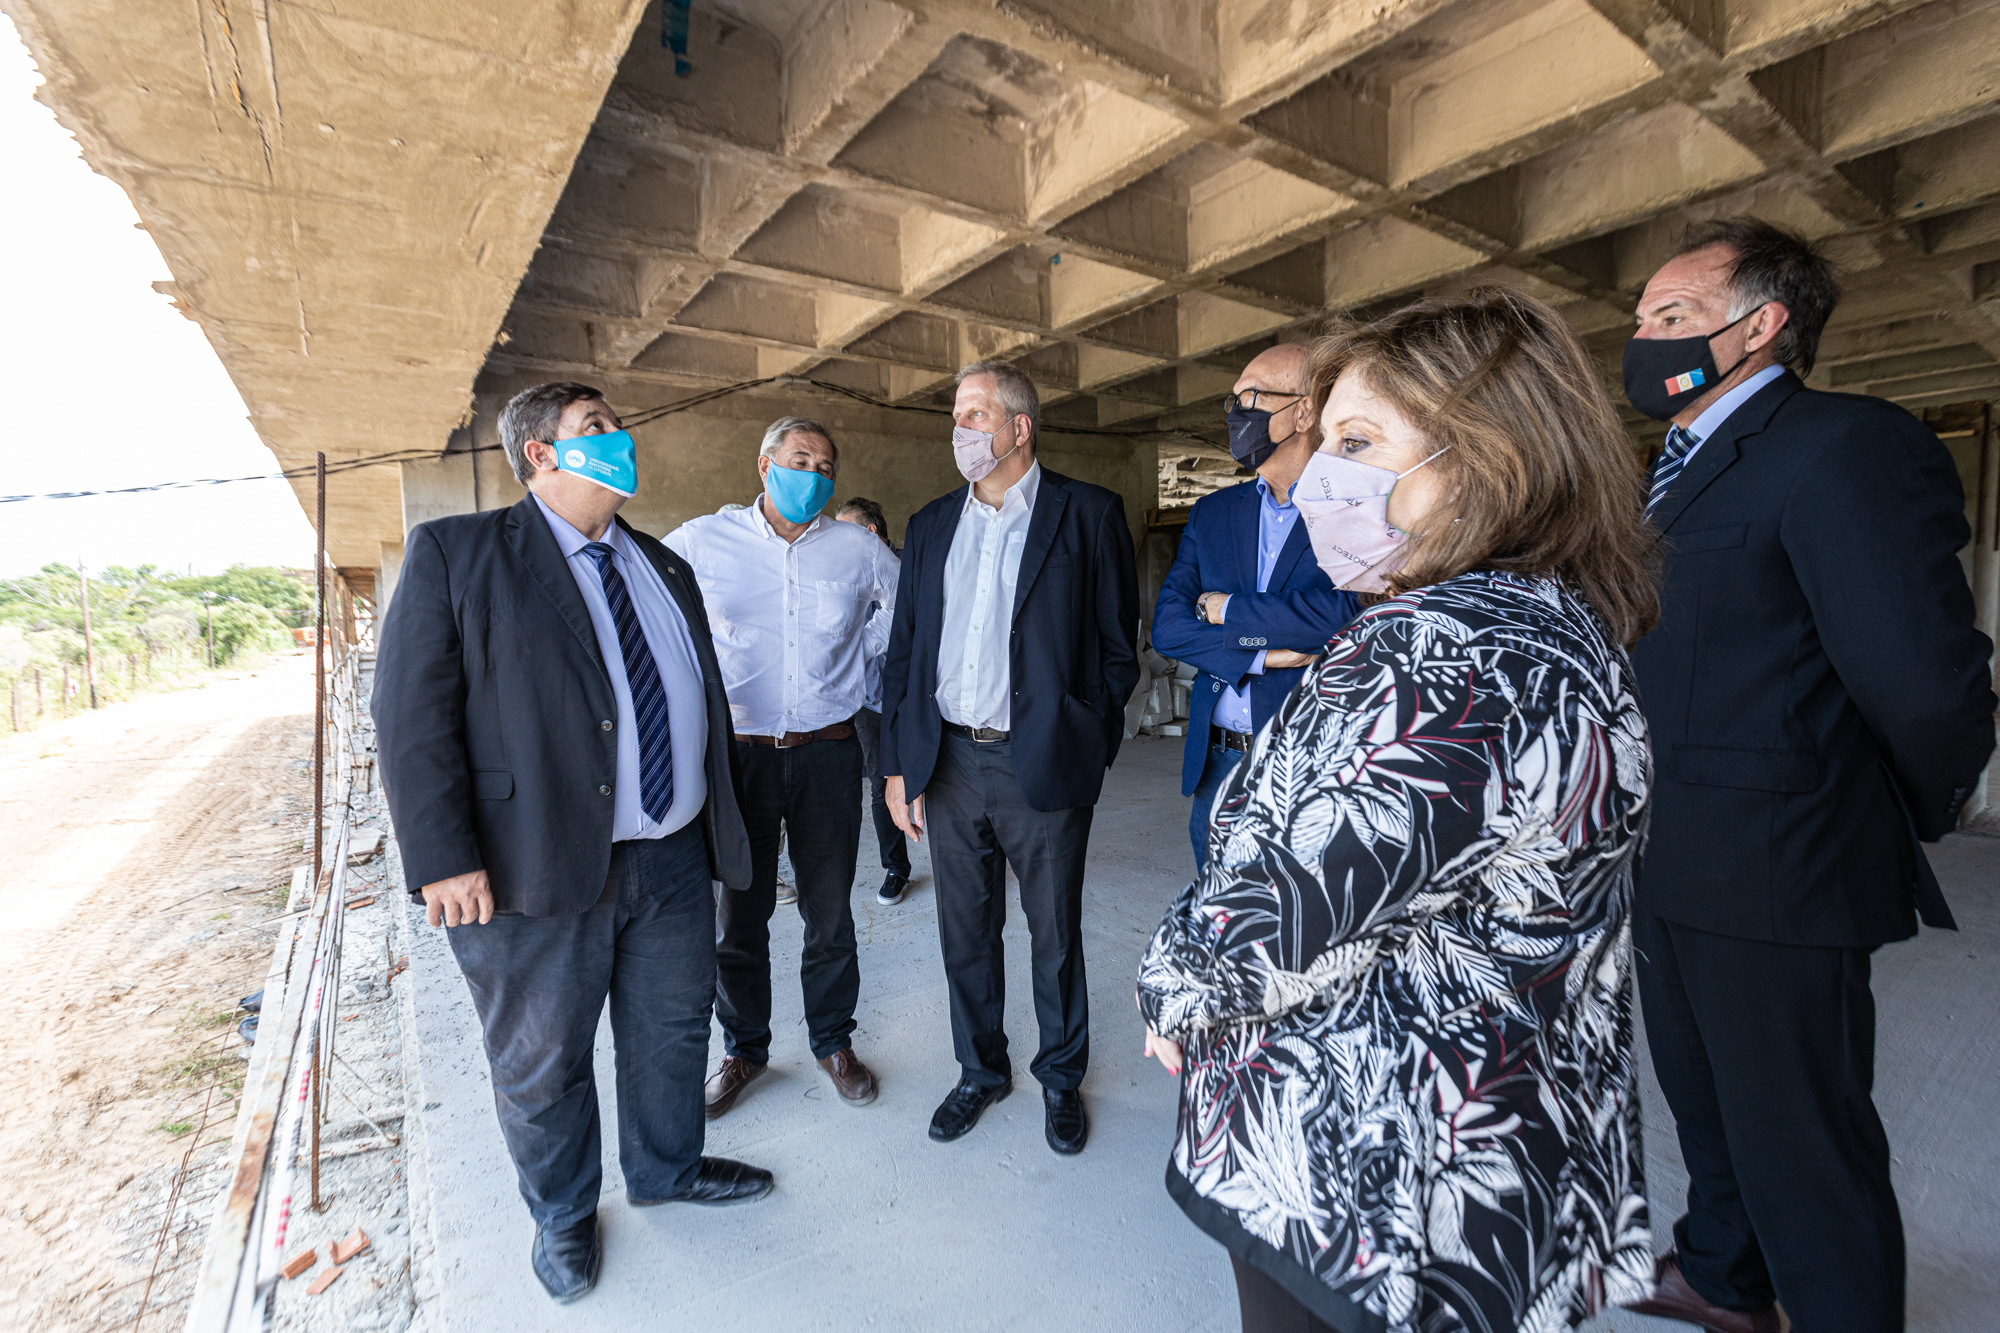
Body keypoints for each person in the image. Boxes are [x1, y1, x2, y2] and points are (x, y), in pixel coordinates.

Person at [1137, 290, 1661, 1332]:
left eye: (1357, 442)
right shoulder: (1555, 625)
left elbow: (1280, 914)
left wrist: (1171, 989)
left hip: (1375, 1175)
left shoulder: (1435, 652)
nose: (1318, 476)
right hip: (1494, 1148)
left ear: (1487, 455)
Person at [1618, 218, 1997, 1333]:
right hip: (1665, 851)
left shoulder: (1845, 446)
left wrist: (1887, 813)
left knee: (1803, 1137)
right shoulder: (1668, 471)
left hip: (1779, 866)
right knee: (1702, 1100)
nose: (1643, 338)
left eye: (1672, 316)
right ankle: (1724, 1276)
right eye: (1640, 320)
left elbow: (1924, 680)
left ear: (1761, 325)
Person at [372, 382, 772, 1305]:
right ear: (540, 453)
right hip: (530, 864)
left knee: (672, 1031)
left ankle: (667, 1167)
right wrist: (441, 856)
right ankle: (562, 1212)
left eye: (618, 424)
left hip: (672, 854)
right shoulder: (460, 553)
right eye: (597, 427)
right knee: (543, 1059)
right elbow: (410, 717)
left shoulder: (661, 564)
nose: (620, 437)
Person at [880, 358, 1139, 1154]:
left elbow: (1116, 648)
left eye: (975, 415)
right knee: (965, 929)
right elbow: (904, 652)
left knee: (1053, 931)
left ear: (1020, 428)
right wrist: (898, 764)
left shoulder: (1086, 513)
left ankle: (1061, 1076)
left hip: (1042, 758)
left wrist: (1086, 736)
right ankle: (980, 1070)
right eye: (956, 416)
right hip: (950, 762)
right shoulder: (931, 524)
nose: (960, 430)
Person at [664, 417, 900, 1119]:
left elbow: (909, 605)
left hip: (829, 752)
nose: (815, 476)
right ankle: (744, 1048)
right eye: (801, 461)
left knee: (830, 911)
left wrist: (863, 652)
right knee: (740, 914)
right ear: (765, 466)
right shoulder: (703, 540)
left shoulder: (857, 548)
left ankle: (834, 1041)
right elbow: (651, 611)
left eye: (827, 467)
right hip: (742, 757)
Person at [1153, 343, 1361, 871]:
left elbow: (1340, 616)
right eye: (1233, 401)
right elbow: (1169, 627)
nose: (1236, 414)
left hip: (1307, 764)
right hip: (1217, 765)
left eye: (1251, 397)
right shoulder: (1212, 512)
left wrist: (1228, 610)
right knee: (1215, 908)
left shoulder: (1350, 508)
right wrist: (1261, 655)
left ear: (1304, 411)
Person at [835, 496, 912, 905]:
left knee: (941, 780)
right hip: (871, 703)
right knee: (882, 784)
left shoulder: (911, 568)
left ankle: (960, 860)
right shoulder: (844, 576)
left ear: (869, 533)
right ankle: (896, 867)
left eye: (843, 531)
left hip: (917, 700)